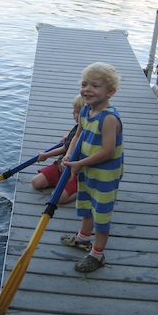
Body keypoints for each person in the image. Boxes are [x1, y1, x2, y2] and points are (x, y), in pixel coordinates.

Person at [60, 62, 124, 273]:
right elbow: (78, 135)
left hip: (104, 174)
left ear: (110, 92)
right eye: (85, 84)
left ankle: (97, 254)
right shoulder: (86, 110)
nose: (87, 89)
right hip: (86, 168)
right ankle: (83, 238)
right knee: (86, 204)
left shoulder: (109, 118)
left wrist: (79, 163)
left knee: (101, 214)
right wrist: (69, 157)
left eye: (95, 86)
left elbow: (108, 151)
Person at [31, 94, 85, 205]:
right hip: (60, 167)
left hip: (74, 174)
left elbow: (63, 149)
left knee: (57, 198)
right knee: (36, 182)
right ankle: (59, 183)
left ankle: (83, 191)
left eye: (76, 112)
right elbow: (73, 136)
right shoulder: (78, 127)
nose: (72, 113)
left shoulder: (87, 133)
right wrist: (67, 136)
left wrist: (45, 155)